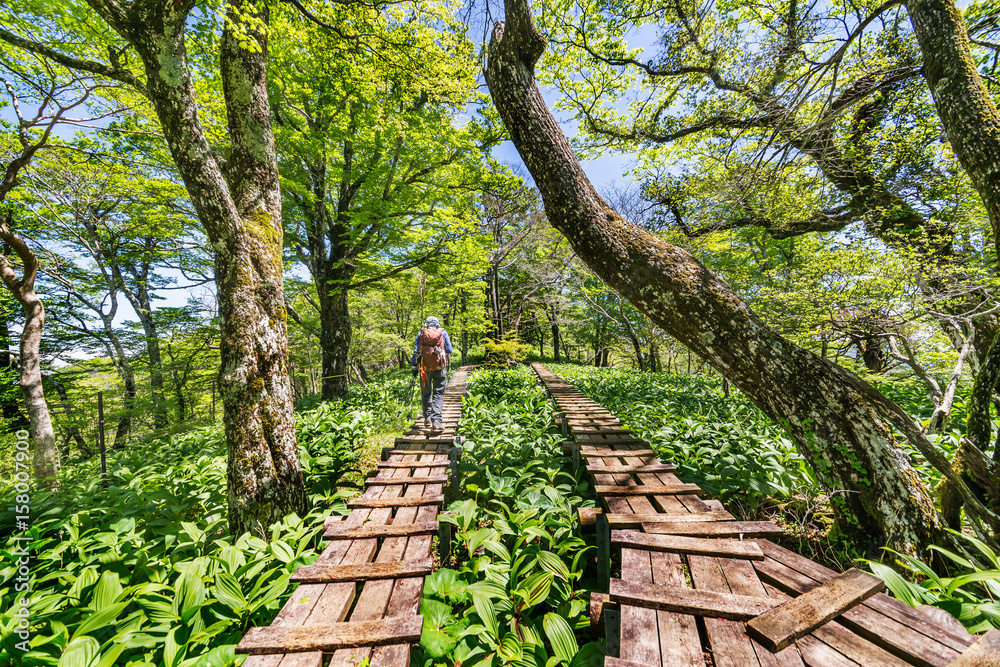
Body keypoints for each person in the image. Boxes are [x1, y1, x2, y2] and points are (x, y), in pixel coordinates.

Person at [411, 316, 452, 430]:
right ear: (437, 325)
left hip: (424, 369)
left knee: (426, 393)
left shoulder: (421, 333)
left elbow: (416, 352)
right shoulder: (443, 332)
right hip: (440, 368)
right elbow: (449, 350)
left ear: (426, 325)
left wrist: (414, 367)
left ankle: (427, 418)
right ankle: (436, 421)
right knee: (438, 393)